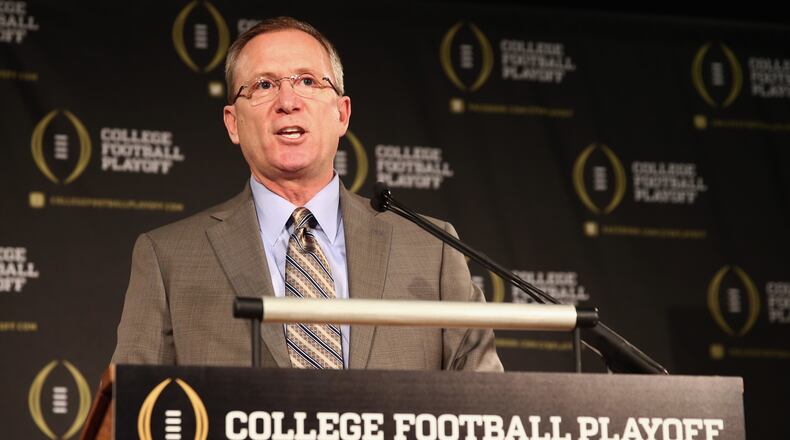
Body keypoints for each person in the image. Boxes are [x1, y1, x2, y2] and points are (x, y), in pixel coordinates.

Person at [111, 16, 502, 371]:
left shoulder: (431, 251)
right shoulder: (168, 258)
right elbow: (130, 410)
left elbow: (489, 407)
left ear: (342, 114)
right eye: (264, 85)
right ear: (233, 123)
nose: (287, 101)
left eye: (308, 82)